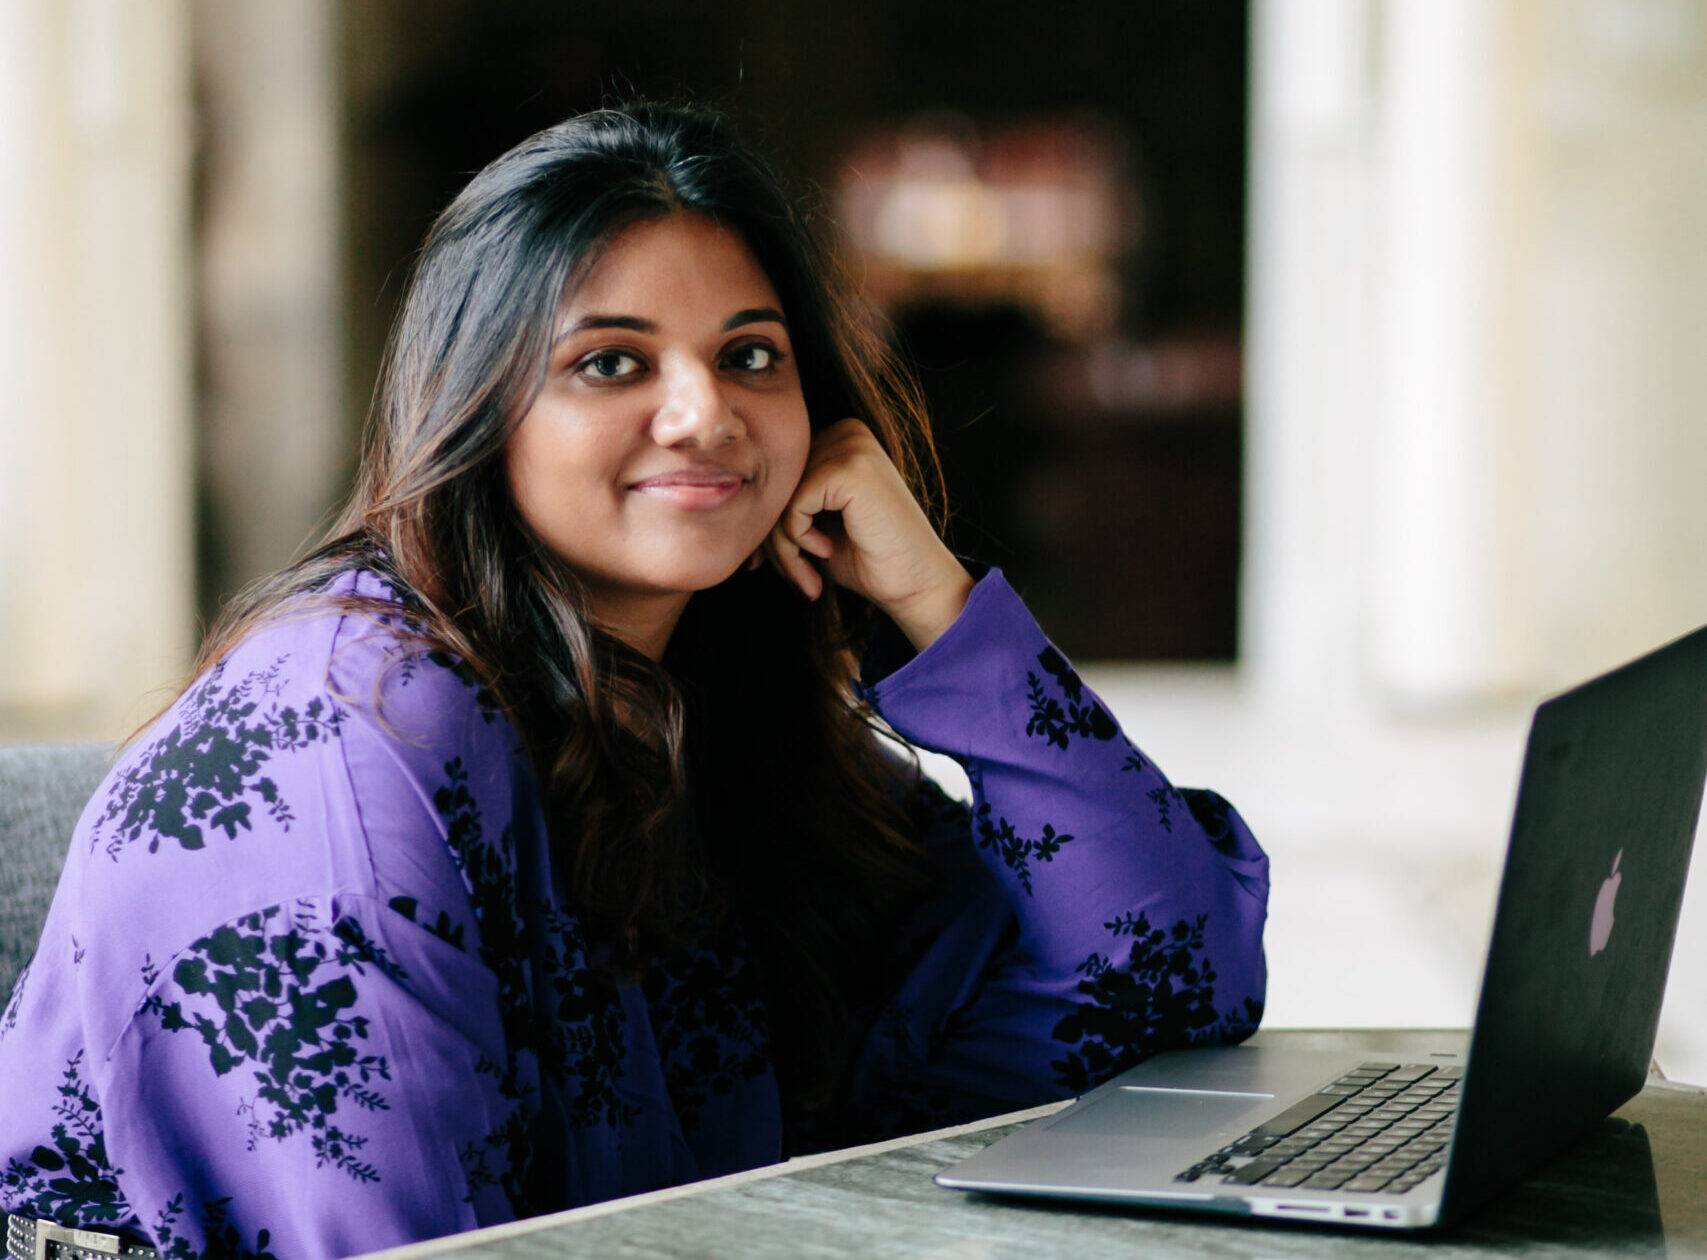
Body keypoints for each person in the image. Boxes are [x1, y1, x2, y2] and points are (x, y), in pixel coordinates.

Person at [0, 103, 1268, 1260]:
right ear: (477, 408)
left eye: (752, 356)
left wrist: (934, 611)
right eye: (611, 362)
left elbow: (1162, 975)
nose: (703, 413)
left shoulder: (697, 716)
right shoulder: (338, 748)